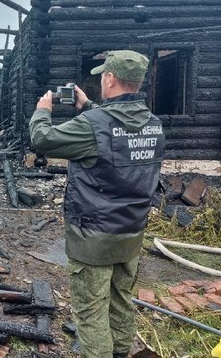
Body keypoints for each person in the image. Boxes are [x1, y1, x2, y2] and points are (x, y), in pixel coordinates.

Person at [29, 50, 165, 358]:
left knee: (90, 315)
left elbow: (43, 139)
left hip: (93, 238)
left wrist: (42, 109)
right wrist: (88, 105)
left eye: (103, 74)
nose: (101, 79)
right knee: (121, 301)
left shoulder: (92, 124)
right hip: (132, 232)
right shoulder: (154, 124)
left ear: (111, 79)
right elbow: (117, 132)